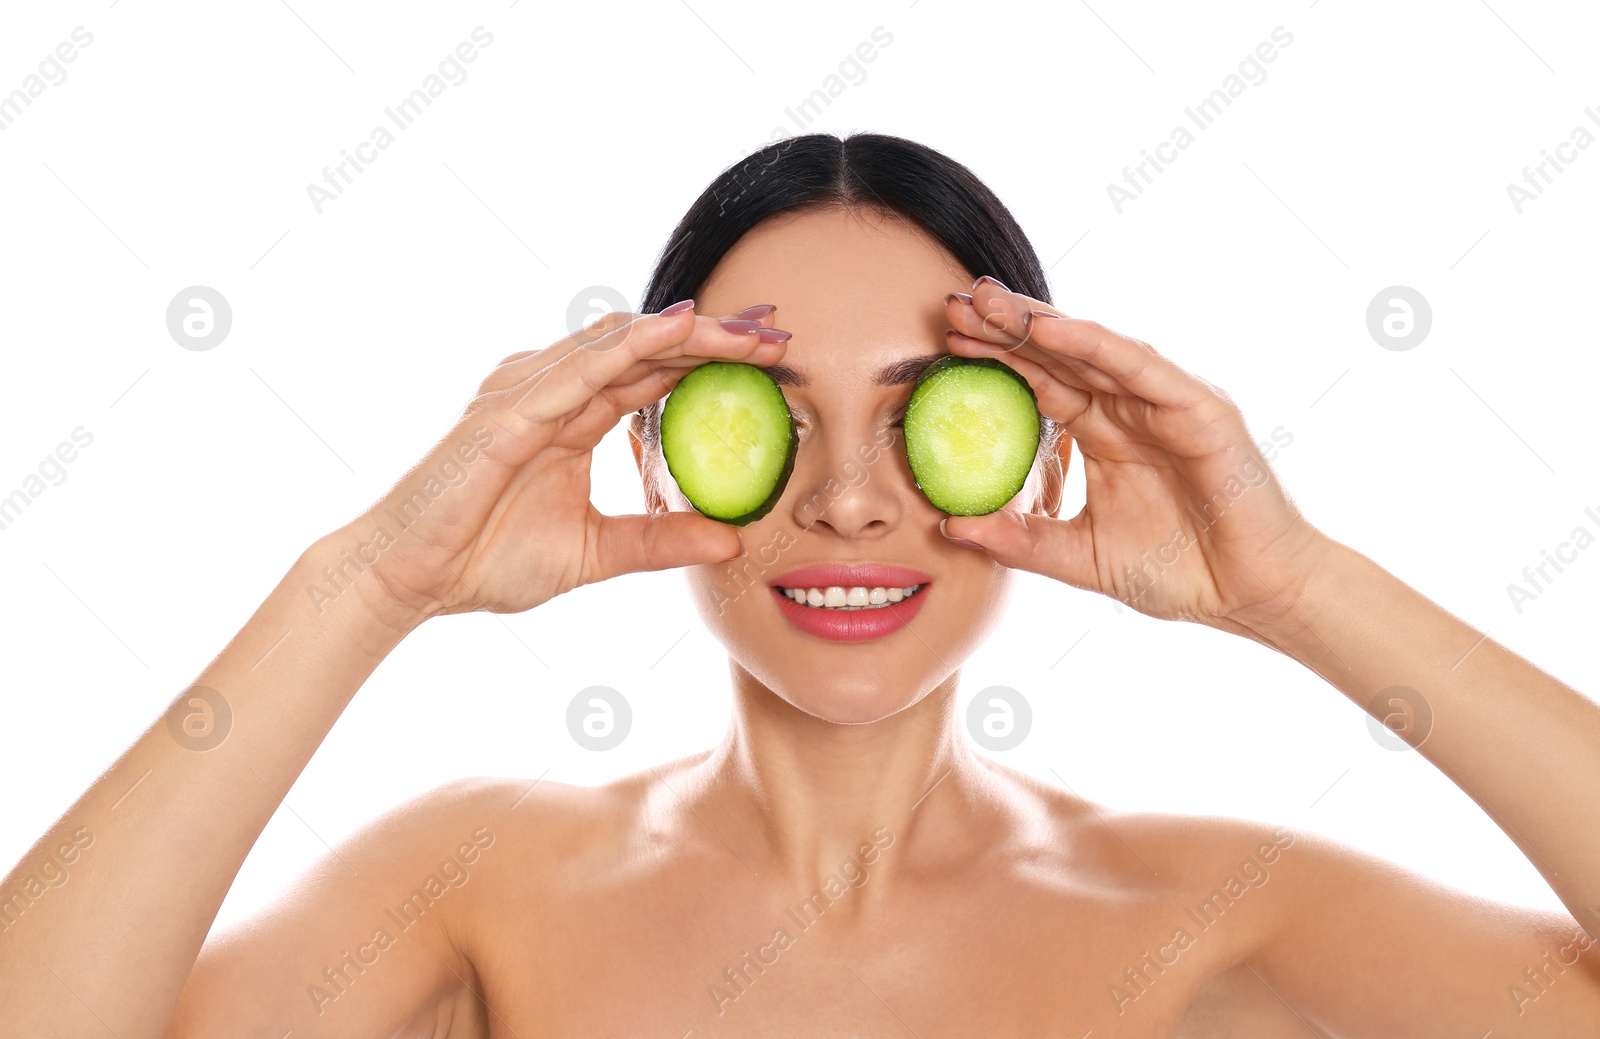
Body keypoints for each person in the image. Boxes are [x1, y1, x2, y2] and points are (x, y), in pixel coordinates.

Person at [4, 132, 1598, 1037]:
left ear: (1047, 459)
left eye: (930, 425)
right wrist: (365, 584)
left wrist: (1296, 584)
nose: (845, 503)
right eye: (772, 423)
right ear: (654, 453)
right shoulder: (478, 885)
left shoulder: (1210, 918)